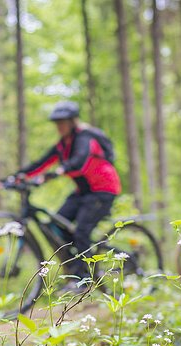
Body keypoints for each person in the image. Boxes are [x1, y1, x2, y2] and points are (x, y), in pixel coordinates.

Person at [15, 101, 121, 280]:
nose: (59, 126)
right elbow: (41, 162)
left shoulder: (85, 138)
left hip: (103, 190)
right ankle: (74, 272)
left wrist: (58, 171)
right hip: (83, 192)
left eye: (63, 122)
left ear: (72, 122)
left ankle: (85, 279)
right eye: (57, 123)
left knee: (81, 232)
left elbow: (80, 160)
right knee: (57, 224)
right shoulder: (63, 145)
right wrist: (17, 176)